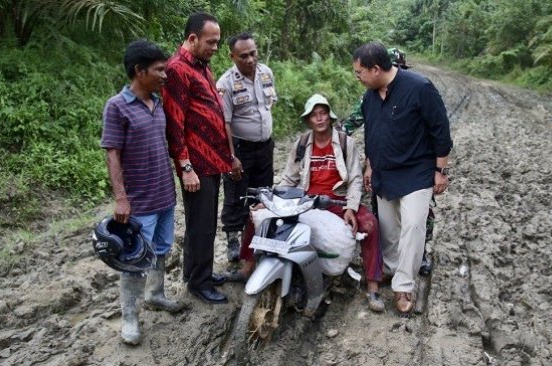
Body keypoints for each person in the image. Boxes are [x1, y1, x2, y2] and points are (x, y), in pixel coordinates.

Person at [229, 94, 386, 312]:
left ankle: (373, 285)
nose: (319, 119)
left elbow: (355, 179)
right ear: (308, 120)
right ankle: (248, 266)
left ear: (329, 118)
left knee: (370, 225)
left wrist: (350, 207)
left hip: (336, 200)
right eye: (314, 115)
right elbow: (289, 178)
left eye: (323, 114)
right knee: (257, 216)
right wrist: (272, 200)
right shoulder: (302, 143)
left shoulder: (344, 142)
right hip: (307, 200)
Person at [352, 41, 453, 316]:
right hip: (385, 173)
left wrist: (440, 171)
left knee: (412, 227)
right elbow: (371, 135)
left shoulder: (419, 88)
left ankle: (404, 286)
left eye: (359, 72)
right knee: (388, 230)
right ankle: (392, 270)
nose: (357, 77)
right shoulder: (370, 98)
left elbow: (440, 130)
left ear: (376, 69)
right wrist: (370, 167)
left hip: (417, 172)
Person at [100, 39, 183, 345]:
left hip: (164, 195)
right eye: (160, 70)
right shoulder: (117, 106)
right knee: (134, 259)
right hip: (139, 201)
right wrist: (121, 197)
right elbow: (112, 153)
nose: (165, 75)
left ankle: (156, 294)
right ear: (139, 71)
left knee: (161, 249)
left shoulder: (159, 104)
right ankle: (130, 317)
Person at [162, 12, 242, 305]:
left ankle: (197, 273)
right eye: (211, 42)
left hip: (211, 161)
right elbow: (175, 123)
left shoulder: (202, 67)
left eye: (218, 42)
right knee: (202, 224)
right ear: (193, 38)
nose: (216, 47)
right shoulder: (177, 70)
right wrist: (185, 167)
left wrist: (227, 156)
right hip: (196, 164)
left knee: (204, 221)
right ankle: (200, 283)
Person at [338, 47, 435, 277]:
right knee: (383, 216)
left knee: (419, 218)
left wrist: (437, 167)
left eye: (401, 69)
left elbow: (435, 130)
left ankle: (419, 255)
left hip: (414, 168)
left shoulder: (418, 90)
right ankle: (386, 262)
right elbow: (357, 123)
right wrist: (333, 137)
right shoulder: (371, 96)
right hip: (383, 165)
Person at [216, 32, 277, 263]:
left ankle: (257, 236)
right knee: (235, 195)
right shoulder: (225, 84)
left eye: (253, 53)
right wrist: (230, 157)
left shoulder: (266, 73)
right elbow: (225, 123)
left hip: (265, 147)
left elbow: (266, 108)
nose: (250, 59)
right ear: (232, 57)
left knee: (263, 192)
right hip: (239, 149)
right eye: (243, 56)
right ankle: (233, 239)